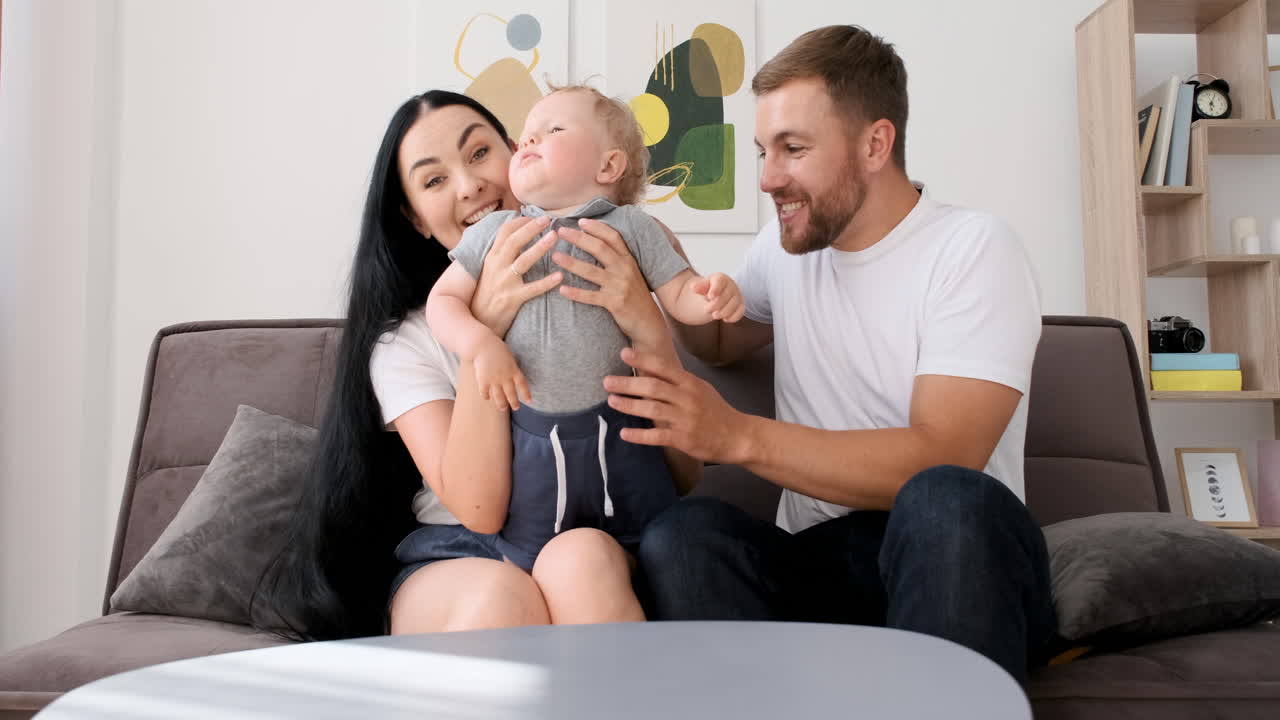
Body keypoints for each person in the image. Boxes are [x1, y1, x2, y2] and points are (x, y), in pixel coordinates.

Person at [608, 26, 1058, 683]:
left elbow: (944, 452)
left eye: (792, 149)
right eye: (764, 150)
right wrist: (668, 278)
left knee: (944, 497)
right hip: (822, 564)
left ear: (876, 143)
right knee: (684, 534)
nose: (766, 177)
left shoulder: (972, 247)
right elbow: (721, 342)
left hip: (954, 557)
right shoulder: (787, 246)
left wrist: (737, 436)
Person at [253, 89, 694, 639]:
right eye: (434, 180)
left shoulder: (613, 271)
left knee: (579, 560)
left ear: (518, 153)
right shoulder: (408, 344)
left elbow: (684, 474)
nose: (470, 186)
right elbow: (480, 510)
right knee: (500, 594)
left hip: (596, 533)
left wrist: (647, 325)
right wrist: (483, 331)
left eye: (481, 154)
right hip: (459, 550)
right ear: (416, 218)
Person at [426, 85, 744, 573]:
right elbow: (443, 301)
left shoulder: (633, 227)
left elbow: (680, 293)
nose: (528, 142)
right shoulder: (495, 232)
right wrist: (480, 343)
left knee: (650, 536)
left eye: (551, 130)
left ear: (608, 167)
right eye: (525, 136)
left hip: (625, 424)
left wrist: (712, 295)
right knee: (529, 550)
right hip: (530, 432)